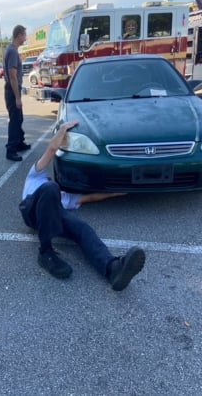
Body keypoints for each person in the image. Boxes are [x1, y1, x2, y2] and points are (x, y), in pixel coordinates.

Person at [19, 121, 146, 291]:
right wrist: (63, 129)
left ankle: (112, 268)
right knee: (51, 188)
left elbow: (91, 197)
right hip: (31, 210)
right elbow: (51, 150)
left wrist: (120, 191)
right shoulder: (36, 176)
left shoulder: (63, 197)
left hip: (54, 213)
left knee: (82, 228)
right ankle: (45, 252)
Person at [3, 24, 31, 162]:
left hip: (12, 88)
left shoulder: (11, 49)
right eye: (25, 35)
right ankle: (11, 150)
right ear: (19, 35)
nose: (25, 38)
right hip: (12, 89)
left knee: (19, 118)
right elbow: (13, 75)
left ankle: (19, 143)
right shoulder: (13, 51)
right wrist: (17, 98)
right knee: (15, 120)